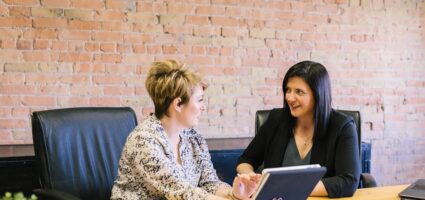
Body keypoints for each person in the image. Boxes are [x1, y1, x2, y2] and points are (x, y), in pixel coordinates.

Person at [111, 59, 258, 200]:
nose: (204, 107)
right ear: (178, 104)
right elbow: (182, 193)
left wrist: (235, 194)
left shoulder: (194, 137)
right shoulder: (144, 140)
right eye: (200, 100)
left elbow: (209, 184)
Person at [236, 61, 361, 198]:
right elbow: (246, 160)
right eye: (288, 90)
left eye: (299, 92)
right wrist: (250, 176)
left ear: (318, 95)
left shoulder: (342, 126)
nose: (290, 98)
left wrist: (287, 188)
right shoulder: (276, 119)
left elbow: (348, 182)